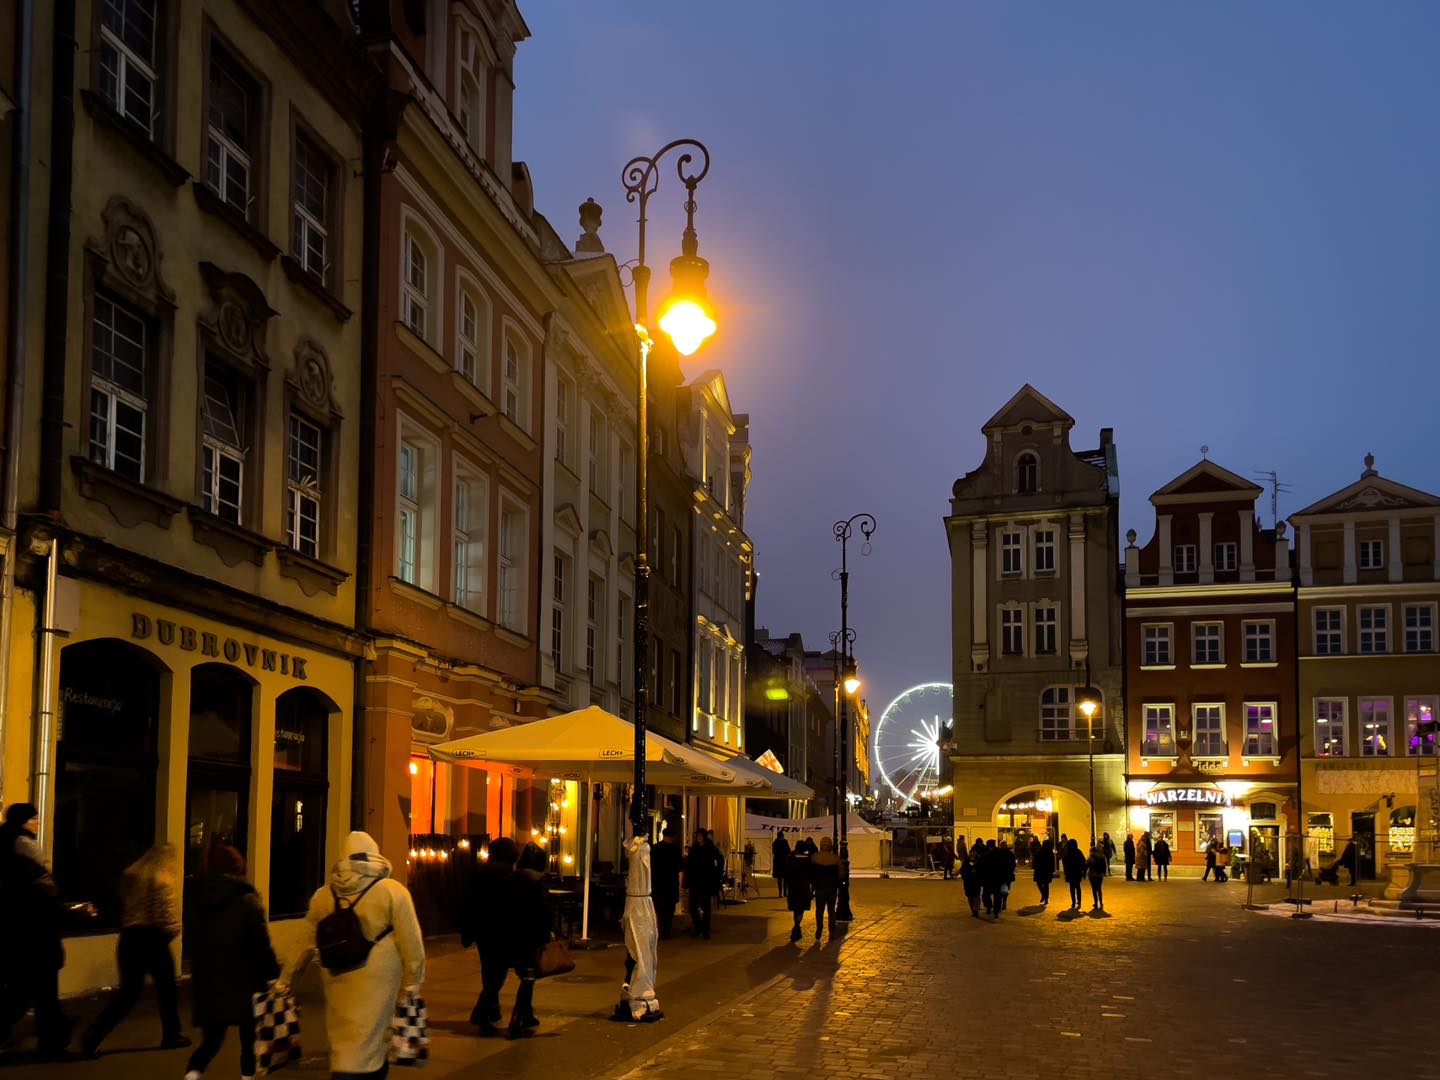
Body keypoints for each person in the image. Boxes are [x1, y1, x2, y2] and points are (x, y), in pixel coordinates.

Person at [277, 831, 426, 1074]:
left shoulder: (324, 895)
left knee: (342, 1032)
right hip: (378, 977)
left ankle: (345, 1068)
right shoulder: (392, 891)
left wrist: (285, 981)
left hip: (336, 974)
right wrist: (412, 983)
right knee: (373, 1036)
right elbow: (412, 943)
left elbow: (303, 943)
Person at [80, 843, 189, 1058]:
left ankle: (93, 1035)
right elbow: (166, 913)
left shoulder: (131, 876)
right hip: (153, 937)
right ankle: (171, 1034)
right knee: (167, 989)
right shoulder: (161, 879)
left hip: (129, 937)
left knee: (129, 993)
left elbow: (119, 904)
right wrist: (174, 931)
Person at [183, 844, 278, 1080]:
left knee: (211, 1042)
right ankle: (247, 1078)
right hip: (246, 982)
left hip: (209, 982)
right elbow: (261, 946)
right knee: (249, 1041)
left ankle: (192, 1075)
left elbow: (192, 940)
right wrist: (273, 974)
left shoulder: (197, 901)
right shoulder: (247, 901)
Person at [0, 803, 72, 1061]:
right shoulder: (24, 853)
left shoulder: (8, 849)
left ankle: (52, 1042)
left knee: (20, 992)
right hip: (37, 937)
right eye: (34, 818)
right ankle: (53, 1046)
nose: (38, 823)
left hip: (19, 935)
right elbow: (43, 892)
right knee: (44, 995)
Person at [459, 836, 517, 1036]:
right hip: (500, 930)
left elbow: (468, 902)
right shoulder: (507, 874)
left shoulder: (479, 872)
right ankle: (481, 1013)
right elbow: (510, 905)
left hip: (482, 930)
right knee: (497, 974)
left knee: (489, 970)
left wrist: (467, 931)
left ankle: (493, 1009)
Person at [503, 843, 551, 1039]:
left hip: (513, 933)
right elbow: (544, 911)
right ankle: (517, 1017)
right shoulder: (538, 881)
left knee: (525, 975)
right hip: (532, 935)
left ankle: (527, 1014)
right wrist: (548, 932)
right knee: (529, 977)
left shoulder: (510, 878)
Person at [651, 828, 684, 940]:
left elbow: (651, 865)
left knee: (660, 907)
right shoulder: (675, 849)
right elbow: (681, 865)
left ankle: (662, 928)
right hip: (670, 882)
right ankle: (666, 929)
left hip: (658, 882)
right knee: (669, 909)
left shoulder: (655, 848)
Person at [684, 830, 717, 939]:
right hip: (695, 881)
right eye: (697, 836)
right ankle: (698, 926)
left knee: (706, 906)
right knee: (692, 906)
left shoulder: (710, 849)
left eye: (700, 836)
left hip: (706, 881)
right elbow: (688, 866)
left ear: (704, 837)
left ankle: (705, 928)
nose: (698, 838)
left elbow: (719, 860)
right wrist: (686, 882)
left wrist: (716, 876)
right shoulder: (694, 849)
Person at [810, 837, 841, 938]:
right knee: (831, 910)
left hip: (819, 887)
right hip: (832, 887)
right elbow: (841, 874)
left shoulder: (815, 857)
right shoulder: (835, 858)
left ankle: (819, 928)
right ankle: (832, 930)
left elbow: (811, 873)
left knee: (819, 909)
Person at [783, 841, 813, 942]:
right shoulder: (808, 859)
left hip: (793, 886)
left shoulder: (790, 857)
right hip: (804, 887)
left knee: (796, 907)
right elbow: (811, 874)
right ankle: (797, 925)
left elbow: (786, 873)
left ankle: (796, 925)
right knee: (801, 908)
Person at [1062, 839, 1087, 911]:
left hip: (1071, 872)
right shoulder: (1078, 852)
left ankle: (1073, 901)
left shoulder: (1068, 852)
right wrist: (1084, 872)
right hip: (1077, 872)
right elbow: (1083, 862)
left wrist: (1066, 872)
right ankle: (1079, 901)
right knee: (1078, 887)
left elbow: (1065, 864)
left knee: (1072, 887)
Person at [979, 840, 1002, 917]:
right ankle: (995, 910)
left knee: (986, 895)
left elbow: (982, 867)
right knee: (996, 896)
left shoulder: (987, 855)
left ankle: (990, 907)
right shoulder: (999, 854)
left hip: (989, 878)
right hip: (997, 878)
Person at [959, 844, 982, 917]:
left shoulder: (979, 861)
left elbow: (982, 870)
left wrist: (977, 872)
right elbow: (962, 870)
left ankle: (976, 909)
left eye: (975, 852)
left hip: (976, 881)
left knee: (976, 895)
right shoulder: (967, 860)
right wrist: (965, 875)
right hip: (968, 881)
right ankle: (973, 910)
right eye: (972, 852)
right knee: (969, 896)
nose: (973, 853)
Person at [1032, 838, 1056, 907]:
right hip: (1047, 871)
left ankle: (1044, 895)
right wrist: (1052, 870)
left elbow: (1036, 860)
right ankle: (1046, 898)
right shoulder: (1049, 852)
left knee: (1040, 883)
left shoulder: (1040, 851)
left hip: (1040, 870)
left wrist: (1035, 867)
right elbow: (1052, 862)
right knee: (1046, 885)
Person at [997, 840, 1017, 911]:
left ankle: (1000, 903)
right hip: (1007, 874)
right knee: (1006, 889)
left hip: (999, 874)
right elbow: (1013, 864)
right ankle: (1004, 902)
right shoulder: (1010, 854)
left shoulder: (998, 854)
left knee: (999, 889)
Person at [1086, 845, 1107, 912]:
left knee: (1094, 889)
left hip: (1092, 875)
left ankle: (1096, 903)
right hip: (1100, 875)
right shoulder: (1102, 857)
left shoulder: (1090, 858)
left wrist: (1083, 874)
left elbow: (1086, 866)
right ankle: (1101, 902)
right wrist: (1103, 873)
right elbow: (1104, 866)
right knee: (1099, 889)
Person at [771, 830, 791, 898]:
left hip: (778, 862)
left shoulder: (775, 843)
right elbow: (788, 851)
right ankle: (784, 892)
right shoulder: (784, 841)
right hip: (784, 862)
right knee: (785, 878)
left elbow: (774, 852)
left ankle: (781, 892)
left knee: (781, 878)